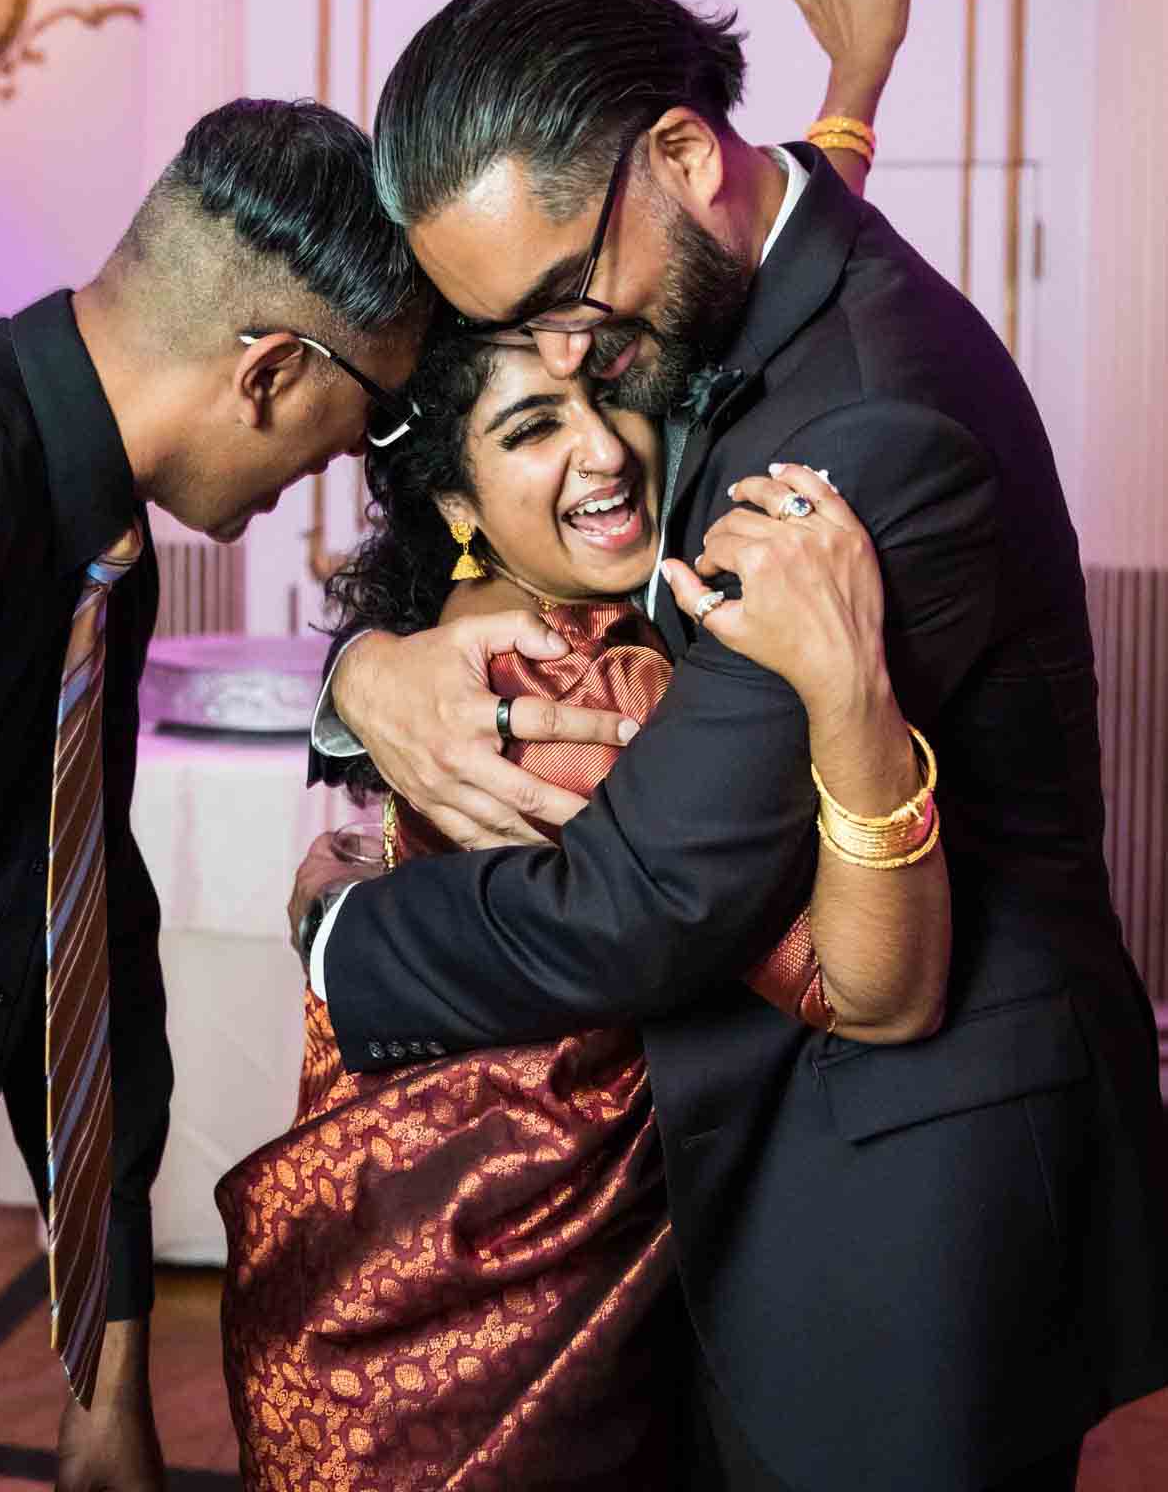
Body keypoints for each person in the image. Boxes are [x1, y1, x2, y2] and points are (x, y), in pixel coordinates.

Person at [297, 0, 1168, 1491]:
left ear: (686, 160)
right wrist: (358, 664)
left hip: (910, 1166)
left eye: (560, 299)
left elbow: (645, 899)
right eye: (505, 331)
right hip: (806, 1117)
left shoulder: (864, 428)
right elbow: (807, 176)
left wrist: (339, 935)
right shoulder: (737, 264)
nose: (570, 362)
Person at [0, 99, 470, 1492]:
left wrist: (105, 1379)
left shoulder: (103, 555)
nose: (343, 468)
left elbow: (76, 936)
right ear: (271, 374)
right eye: (366, 418)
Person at [219, 317, 950, 1490]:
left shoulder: (443, 647)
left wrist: (843, 125)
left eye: (611, 397)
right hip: (486, 1332)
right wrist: (843, 680)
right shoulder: (586, 687)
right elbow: (867, 985)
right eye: (533, 426)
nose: (605, 450)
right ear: (456, 499)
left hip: (373, 1279)